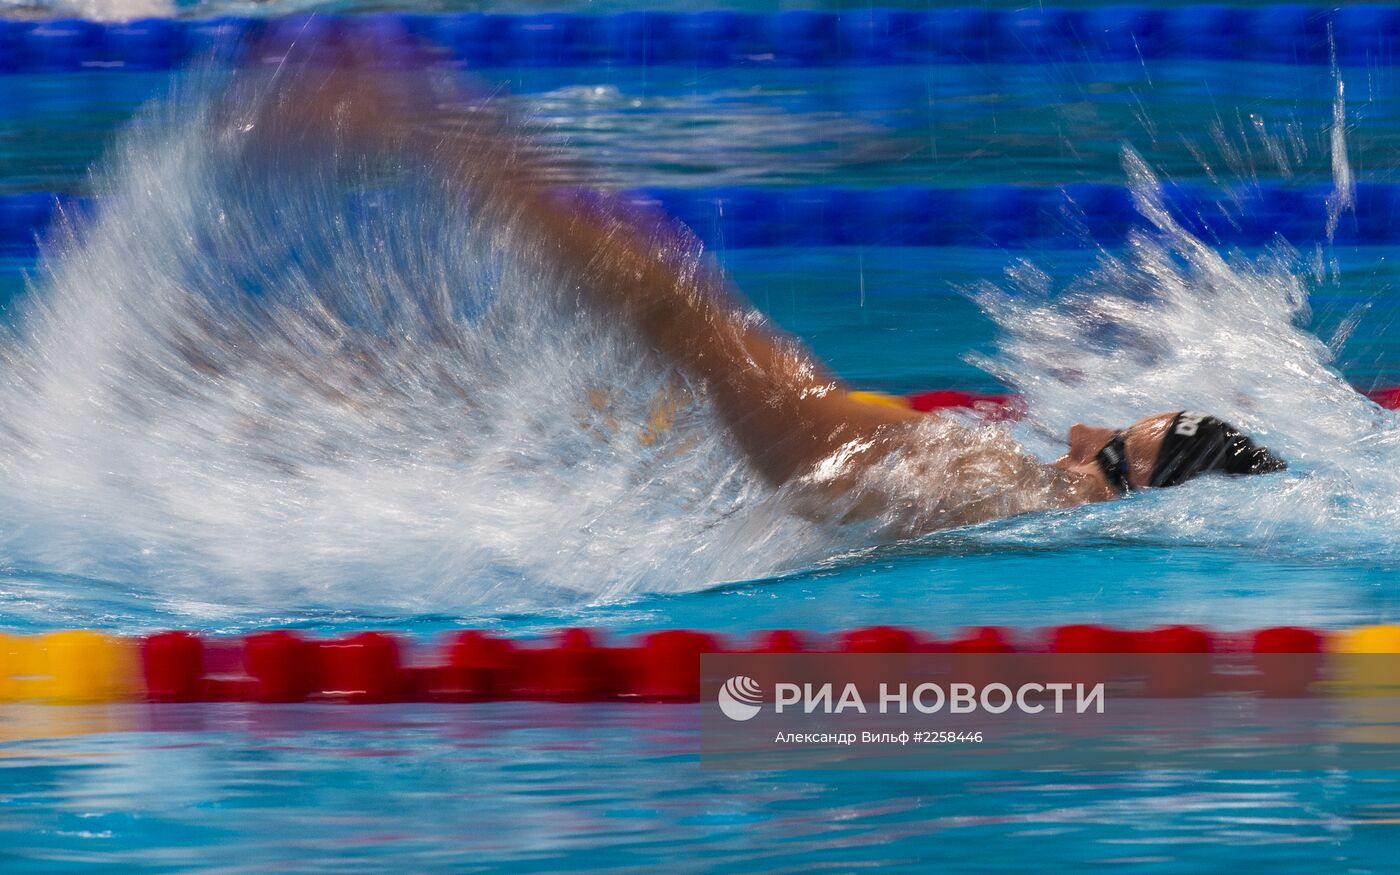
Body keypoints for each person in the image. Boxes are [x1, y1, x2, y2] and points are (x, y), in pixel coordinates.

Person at [265, 55, 1286, 536]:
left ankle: (419, 126)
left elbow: (681, 319)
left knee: (677, 312)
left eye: (1112, 446)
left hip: (857, 464)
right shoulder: (1006, 491)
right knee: (627, 374)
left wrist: (436, 130)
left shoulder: (988, 488)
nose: (1078, 420)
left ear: (1127, 494)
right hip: (849, 475)